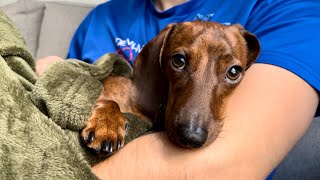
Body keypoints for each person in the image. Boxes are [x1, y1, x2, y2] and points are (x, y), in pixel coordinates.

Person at [36, 0, 320, 179]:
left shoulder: (288, 8)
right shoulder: (101, 19)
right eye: (181, 61)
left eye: (233, 72)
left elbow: (227, 166)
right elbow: (72, 104)